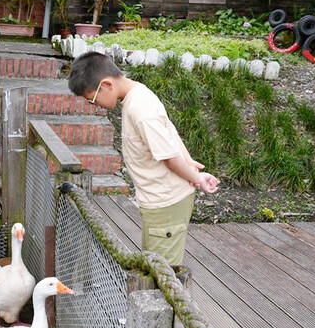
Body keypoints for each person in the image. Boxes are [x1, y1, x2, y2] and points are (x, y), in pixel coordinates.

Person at [68, 51, 219, 267]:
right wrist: (189, 162)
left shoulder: (140, 107)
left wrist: (197, 178)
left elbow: (168, 157)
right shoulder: (138, 95)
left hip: (165, 202)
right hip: (159, 201)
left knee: (163, 271)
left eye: (92, 99)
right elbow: (169, 129)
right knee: (154, 265)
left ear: (107, 85)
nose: (95, 105)